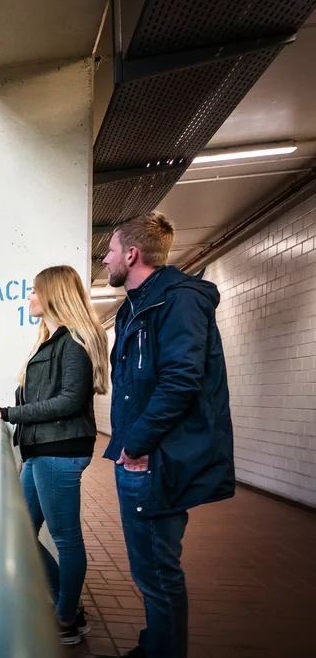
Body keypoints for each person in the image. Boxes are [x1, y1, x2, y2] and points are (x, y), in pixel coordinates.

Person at [102, 212, 234, 658]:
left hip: (154, 461)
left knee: (158, 573)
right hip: (137, 458)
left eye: (111, 250)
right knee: (149, 570)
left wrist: (137, 445)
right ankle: (154, 644)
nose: (105, 260)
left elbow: (180, 380)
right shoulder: (136, 306)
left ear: (132, 254)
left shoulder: (178, 301)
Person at [0, 264, 109, 645]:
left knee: (66, 539)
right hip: (41, 449)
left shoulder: (74, 341)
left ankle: (66, 618)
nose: (29, 297)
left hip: (59, 450)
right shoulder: (54, 340)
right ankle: (67, 607)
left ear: (53, 294)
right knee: (20, 533)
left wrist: (6, 414)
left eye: (35, 291)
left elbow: (69, 402)